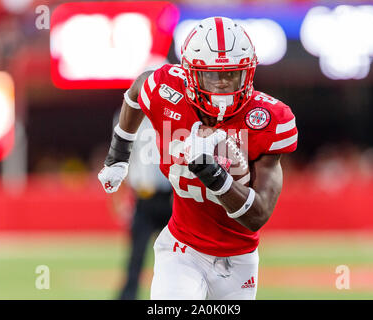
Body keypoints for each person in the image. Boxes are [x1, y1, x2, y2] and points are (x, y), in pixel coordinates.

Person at [98, 17, 298, 300]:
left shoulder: (267, 119)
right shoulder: (167, 90)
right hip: (182, 248)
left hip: (238, 258)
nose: (222, 86)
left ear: (248, 72)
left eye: (232, 74)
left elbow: (257, 216)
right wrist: (118, 154)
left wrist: (212, 173)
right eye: (212, 76)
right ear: (189, 73)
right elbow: (137, 90)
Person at [119, 117, 172, 300]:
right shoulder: (126, 114)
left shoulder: (172, 112)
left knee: (179, 257)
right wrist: (121, 199)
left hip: (172, 197)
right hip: (143, 197)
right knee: (136, 255)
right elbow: (122, 158)